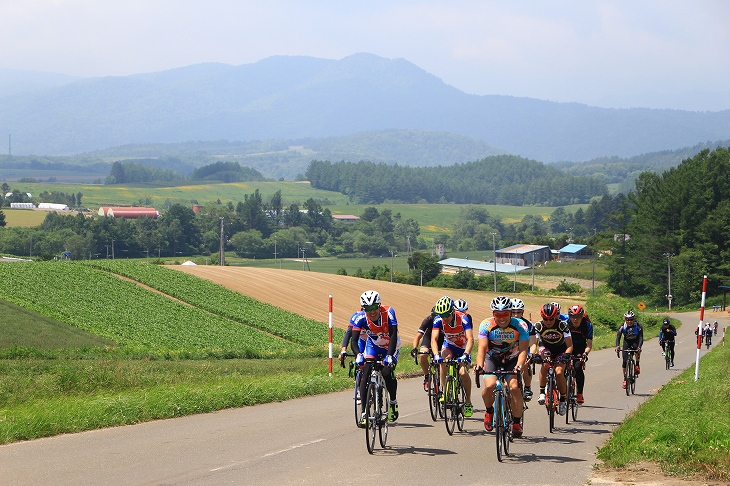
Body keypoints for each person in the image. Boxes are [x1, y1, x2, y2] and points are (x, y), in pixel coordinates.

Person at [475, 296, 529, 437]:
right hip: (493, 357)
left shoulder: (520, 325)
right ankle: (489, 411)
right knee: (489, 385)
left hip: (512, 358)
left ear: (510, 313)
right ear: (493, 314)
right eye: (497, 315)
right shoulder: (486, 325)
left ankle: (516, 422)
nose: (501, 318)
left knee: (514, 387)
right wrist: (479, 365)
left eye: (505, 314)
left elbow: (523, 349)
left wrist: (519, 365)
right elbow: (481, 348)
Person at [351, 290, 400, 423]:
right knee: (365, 370)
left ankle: (393, 402)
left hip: (390, 345)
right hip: (373, 345)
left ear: (379, 305)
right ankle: (364, 412)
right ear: (363, 308)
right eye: (368, 309)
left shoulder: (389, 313)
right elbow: (354, 340)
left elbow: (393, 335)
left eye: (374, 307)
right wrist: (358, 355)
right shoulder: (360, 318)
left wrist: (389, 356)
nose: (372, 312)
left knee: (386, 372)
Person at [431, 296, 474, 418]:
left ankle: (468, 402)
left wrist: (465, 354)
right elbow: (433, 339)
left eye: (447, 315)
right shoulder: (438, 320)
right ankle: (445, 392)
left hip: (463, 347)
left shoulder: (463, 318)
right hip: (449, 345)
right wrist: (435, 354)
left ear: (453, 311)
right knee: (443, 361)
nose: (444, 318)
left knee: (463, 373)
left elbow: (470, 339)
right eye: (442, 315)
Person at [533, 302, 573, 415]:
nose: (549, 321)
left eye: (551, 319)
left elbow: (570, 345)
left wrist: (566, 355)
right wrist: (535, 354)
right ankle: (542, 392)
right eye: (546, 319)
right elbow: (534, 344)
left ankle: (562, 400)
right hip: (546, 348)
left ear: (556, 316)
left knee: (559, 372)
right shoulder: (539, 326)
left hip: (561, 349)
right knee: (545, 364)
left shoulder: (562, 325)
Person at [410, 307, 442, 391]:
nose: (435, 319)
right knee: (423, 355)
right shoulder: (427, 320)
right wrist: (414, 348)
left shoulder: (444, 321)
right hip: (429, 337)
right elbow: (418, 336)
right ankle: (427, 377)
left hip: (442, 339)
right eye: (433, 316)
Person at [510, 298, 536, 402]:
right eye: (513, 312)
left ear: (523, 312)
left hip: (524, 349)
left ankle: (527, 388)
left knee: (525, 363)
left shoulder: (528, 325)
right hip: (510, 350)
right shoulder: (505, 323)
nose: (516, 315)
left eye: (518, 312)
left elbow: (533, 343)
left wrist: (532, 354)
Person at [567, 305, 593, 404]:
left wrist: (585, 354)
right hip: (567, 347)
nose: (575, 319)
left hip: (580, 348)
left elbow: (589, 344)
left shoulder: (587, 325)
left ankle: (579, 394)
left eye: (578, 317)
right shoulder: (566, 324)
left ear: (582, 316)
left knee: (578, 367)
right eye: (573, 317)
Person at [615, 310, 643, 389]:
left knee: (636, 351)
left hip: (635, 341)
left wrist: (639, 347)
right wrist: (617, 346)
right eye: (627, 319)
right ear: (625, 319)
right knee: (624, 361)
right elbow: (618, 337)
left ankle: (637, 365)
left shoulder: (638, 326)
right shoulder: (622, 327)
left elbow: (641, 337)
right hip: (627, 342)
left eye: (631, 319)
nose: (629, 321)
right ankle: (625, 379)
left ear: (634, 319)